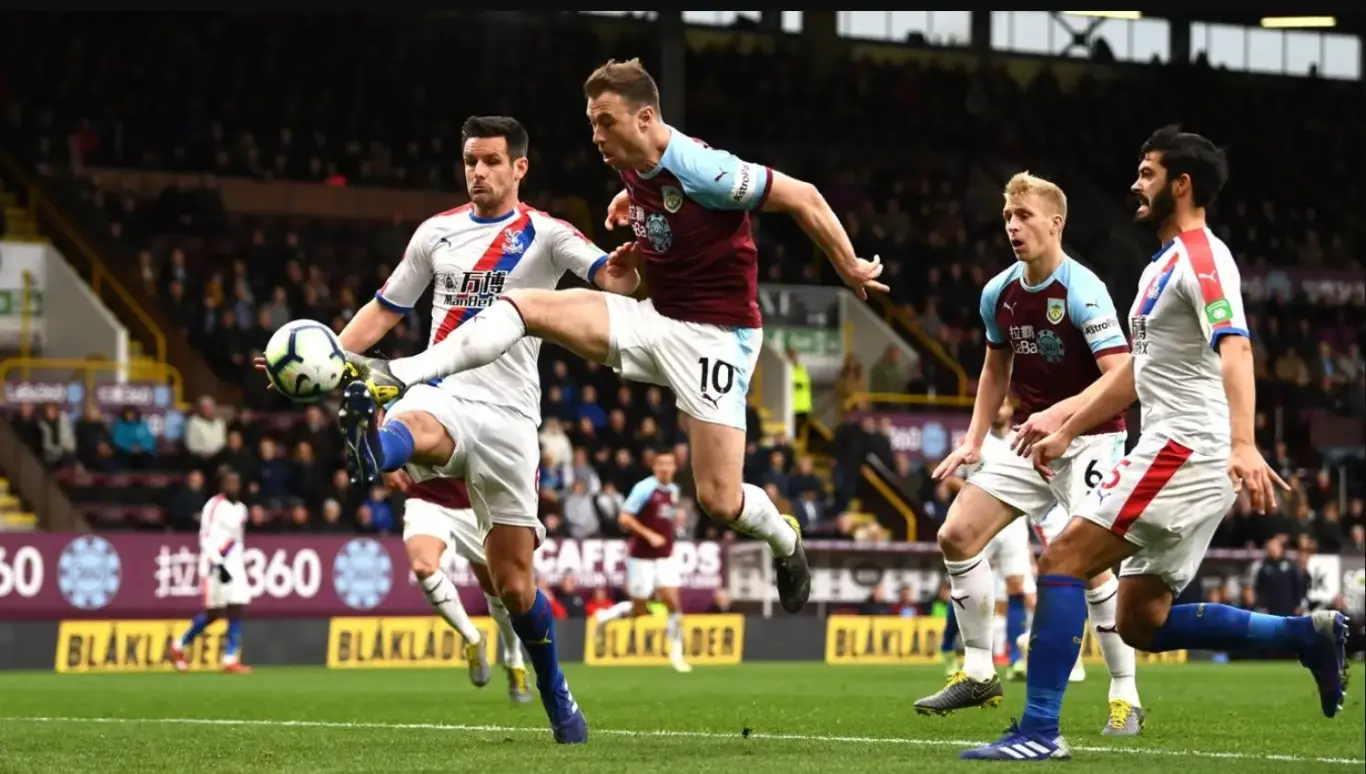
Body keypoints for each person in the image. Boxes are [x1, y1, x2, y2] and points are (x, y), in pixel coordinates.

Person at [344, 59, 888, 616]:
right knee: (524, 306)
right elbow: (664, 206)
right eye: (592, 123)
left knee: (720, 500)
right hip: (654, 319)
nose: (596, 136)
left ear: (645, 118)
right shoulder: (634, 162)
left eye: (605, 122)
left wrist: (847, 264)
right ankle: (400, 374)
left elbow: (804, 196)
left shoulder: (704, 168)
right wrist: (635, 204)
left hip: (716, 340)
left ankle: (784, 539)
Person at [961, 126, 1348, 762]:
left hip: (1185, 450)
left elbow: (1236, 346)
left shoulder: (1201, 259)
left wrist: (1245, 442)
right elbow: (1137, 374)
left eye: (1148, 173)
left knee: (1061, 561)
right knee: (1141, 620)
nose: (1136, 185)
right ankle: (1306, 636)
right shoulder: (1160, 267)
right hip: (1180, 452)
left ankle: (1038, 731)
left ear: (1182, 184)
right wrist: (1068, 428)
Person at [303, 116, 632, 743]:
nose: (478, 172)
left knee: (515, 587)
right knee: (415, 419)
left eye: (490, 161)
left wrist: (639, 248)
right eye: (470, 162)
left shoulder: (548, 235)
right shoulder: (437, 233)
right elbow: (386, 308)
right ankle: (372, 448)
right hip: (445, 390)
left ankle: (554, 692)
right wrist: (325, 362)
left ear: (519, 167)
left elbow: (614, 279)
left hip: (511, 419)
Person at [915, 173, 1144, 736]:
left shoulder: (1083, 290)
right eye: (1008, 218)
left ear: (1055, 223)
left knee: (1087, 563)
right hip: (1033, 439)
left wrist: (1063, 422)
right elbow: (996, 368)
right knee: (956, 534)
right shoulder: (999, 293)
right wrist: (973, 440)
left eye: (1024, 216)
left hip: (1093, 437)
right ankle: (978, 672)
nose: (1013, 227)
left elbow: (1122, 380)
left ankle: (1125, 694)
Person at [395, 469, 533, 703]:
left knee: (500, 591)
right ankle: (473, 638)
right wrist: (387, 465)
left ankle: (514, 659)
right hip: (425, 496)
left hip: (477, 502)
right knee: (423, 568)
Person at [932, 399, 1036, 683]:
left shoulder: (1021, 439)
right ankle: (949, 647)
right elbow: (950, 480)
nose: (999, 409)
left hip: (1015, 524)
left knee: (1016, 587)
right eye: (996, 404)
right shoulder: (975, 441)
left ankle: (1015, 660)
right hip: (982, 521)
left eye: (1004, 404)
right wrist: (979, 491)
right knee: (970, 586)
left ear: (1012, 408)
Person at [594, 450, 691, 673]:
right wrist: (649, 535)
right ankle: (607, 615)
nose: (665, 468)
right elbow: (624, 518)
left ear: (674, 467)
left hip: (665, 555)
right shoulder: (644, 488)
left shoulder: (674, 490)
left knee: (673, 602)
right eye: (661, 464)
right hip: (642, 557)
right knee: (640, 609)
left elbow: (664, 516)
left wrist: (675, 521)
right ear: (654, 467)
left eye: (669, 463)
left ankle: (677, 656)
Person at [171, 469, 250, 674]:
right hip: (216, 564)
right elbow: (205, 537)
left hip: (235, 564)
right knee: (214, 613)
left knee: (237, 607)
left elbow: (237, 539)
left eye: (236, 482)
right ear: (221, 486)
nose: (233, 486)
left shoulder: (242, 509)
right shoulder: (214, 506)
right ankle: (179, 644)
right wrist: (218, 563)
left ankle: (230, 658)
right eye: (229, 482)